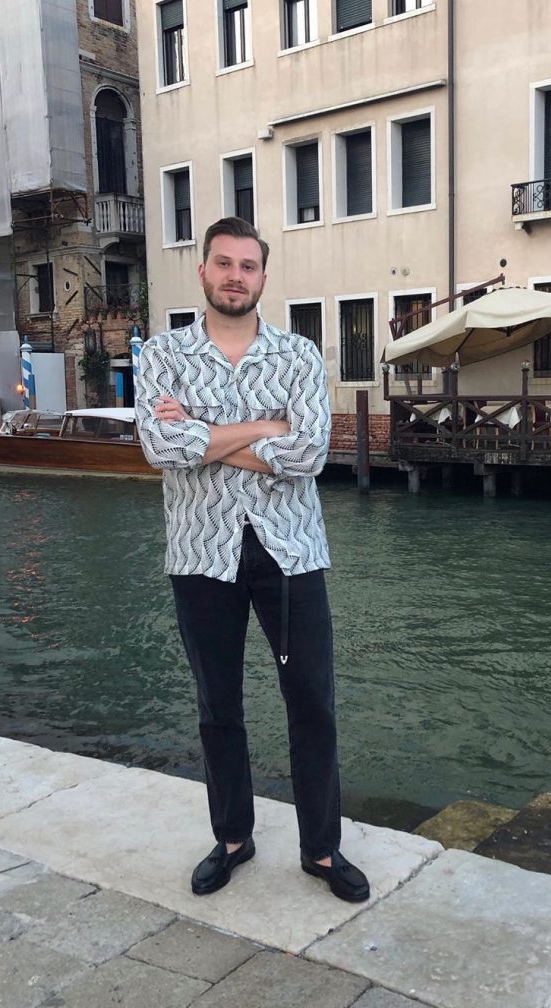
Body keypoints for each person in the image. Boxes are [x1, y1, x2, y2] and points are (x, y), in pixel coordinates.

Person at [134, 216, 369, 903]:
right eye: (224, 263)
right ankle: (234, 838)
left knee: (312, 703)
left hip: (290, 551)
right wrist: (266, 427)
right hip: (200, 552)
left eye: (247, 265)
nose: (235, 276)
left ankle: (321, 849)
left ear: (263, 277)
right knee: (218, 705)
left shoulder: (297, 355)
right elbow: (160, 448)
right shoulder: (164, 355)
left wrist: (204, 434)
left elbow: (310, 453)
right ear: (203, 271)